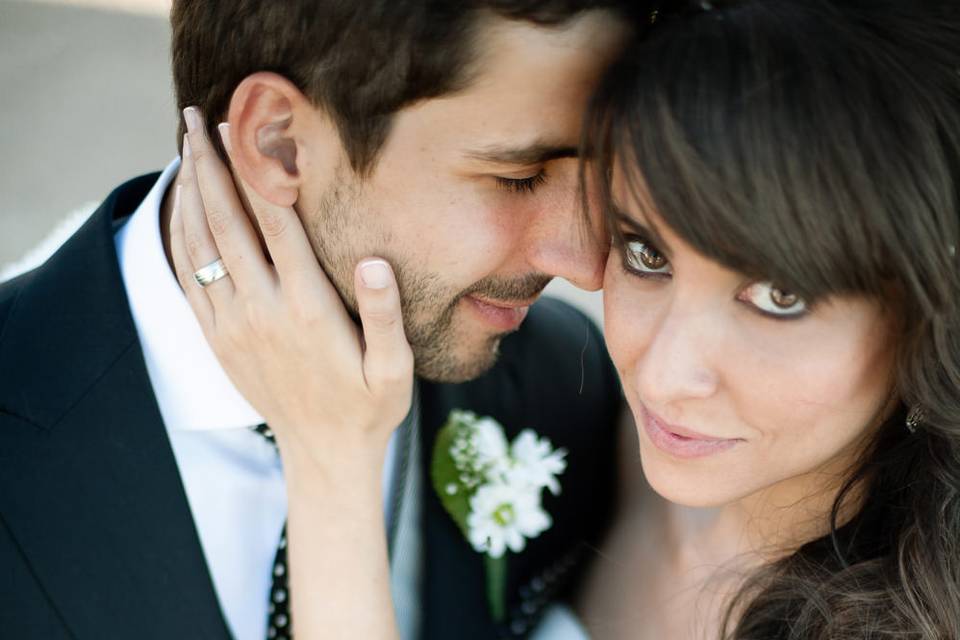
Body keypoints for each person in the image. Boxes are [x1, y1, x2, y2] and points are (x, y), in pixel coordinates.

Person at [173, 0, 960, 638]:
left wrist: (331, 462)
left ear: (934, 305)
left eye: (778, 297)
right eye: (646, 254)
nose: (660, 374)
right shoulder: (593, 431)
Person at [0, 3, 637, 639]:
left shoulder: (565, 385)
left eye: (601, 176)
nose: (586, 266)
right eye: (518, 177)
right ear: (278, 143)